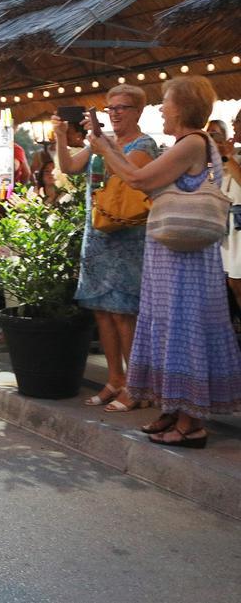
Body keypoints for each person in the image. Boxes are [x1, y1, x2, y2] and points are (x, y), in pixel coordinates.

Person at [89, 76, 241, 448]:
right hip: (173, 254)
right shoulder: (187, 144)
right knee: (170, 330)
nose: (161, 108)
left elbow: (138, 179)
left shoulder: (192, 142)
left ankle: (192, 423)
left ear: (184, 106)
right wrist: (108, 145)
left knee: (183, 331)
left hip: (185, 259)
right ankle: (174, 409)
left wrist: (104, 148)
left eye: (166, 101)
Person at [54, 84, 158, 412]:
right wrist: (60, 135)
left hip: (127, 236)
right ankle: (115, 379)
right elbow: (70, 167)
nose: (114, 113)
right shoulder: (101, 143)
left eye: (122, 108)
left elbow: (132, 177)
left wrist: (104, 148)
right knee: (101, 310)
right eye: (110, 108)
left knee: (125, 314)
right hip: (99, 233)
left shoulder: (144, 144)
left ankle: (137, 385)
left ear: (138, 111)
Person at [211, 117, 241, 316]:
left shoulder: (233, 155)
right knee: (233, 282)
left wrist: (228, 157)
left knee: (237, 281)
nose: (235, 125)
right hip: (228, 221)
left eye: (239, 121)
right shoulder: (234, 153)